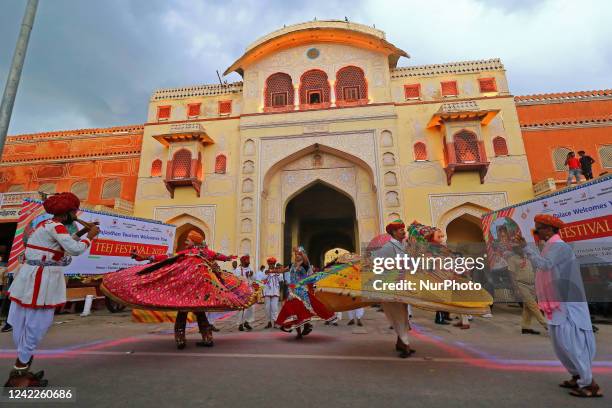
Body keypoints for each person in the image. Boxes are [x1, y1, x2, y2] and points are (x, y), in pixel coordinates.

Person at [5, 192, 100, 387]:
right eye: (75, 211)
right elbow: (74, 249)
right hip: (41, 280)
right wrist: (90, 237)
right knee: (36, 325)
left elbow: (61, 244)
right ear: (69, 212)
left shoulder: (47, 225)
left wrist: (81, 234)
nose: (77, 214)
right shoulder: (56, 227)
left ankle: (22, 371)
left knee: (29, 326)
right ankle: (18, 378)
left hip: (32, 277)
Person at [518, 214, 602, 398]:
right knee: (560, 343)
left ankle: (590, 384)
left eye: (539, 227)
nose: (536, 231)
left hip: (567, 301)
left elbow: (545, 265)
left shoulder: (560, 246)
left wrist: (526, 248)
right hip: (556, 301)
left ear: (549, 229)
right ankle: (577, 375)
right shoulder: (549, 246)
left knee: (571, 342)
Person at [128, 230, 237, 349]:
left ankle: (180, 341)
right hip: (199, 291)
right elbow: (218, 255)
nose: (186, 242)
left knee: (182, 313)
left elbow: (166, 257)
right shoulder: (205, 253)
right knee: (200, 313)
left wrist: (146, 257)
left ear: (194, 241)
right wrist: (228, 258)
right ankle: (207, 338)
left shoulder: (186, 253)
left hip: (185, 289)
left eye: (188, 240)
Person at [373, 219, 414, 358]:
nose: (403, 231)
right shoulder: (387, 247)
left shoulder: (404, 246)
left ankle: (400, 343)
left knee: (403, 316)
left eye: (403, 228)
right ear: (393, 232)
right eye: (400, 229)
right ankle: (406, 345)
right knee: (397, 316)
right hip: (391, 287)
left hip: (403, 286)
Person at [275, 246, 335, 339]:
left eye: (299, 254)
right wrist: (272, 271)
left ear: (302, 255)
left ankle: (306, 326)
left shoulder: (305, 264)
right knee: (292, 311)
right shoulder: (291, 265)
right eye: (296, 254)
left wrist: (300, 250)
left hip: (302, 292)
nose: (297, 256)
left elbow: (306, 258)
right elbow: (282, 270)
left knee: (302, 311)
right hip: (292, 292)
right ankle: (299, 333)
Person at [506, 239, 547, 335]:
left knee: (527, 307)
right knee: (533, 306)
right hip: (521, 285)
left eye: (519, 247)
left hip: (531, 285)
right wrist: (516, 289)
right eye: (516, 248)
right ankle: (546, 325)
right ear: (514, 249)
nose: (518, 249)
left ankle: (525, 327)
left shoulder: (528, 257)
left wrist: (536, 285)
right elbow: (511, 275)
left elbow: (534, 269)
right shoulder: (512, 259)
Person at [261, 257, 285, 328]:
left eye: (272, 264)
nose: (271, 265)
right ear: (268, 264)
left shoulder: (278, 270)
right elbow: (262, 278)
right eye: (270, 264)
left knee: (274, 308)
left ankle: (275, 322)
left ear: (274, 264)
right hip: (267, 291)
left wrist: (277, 272)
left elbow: (281, 280)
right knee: (267, 308)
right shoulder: (265, 270)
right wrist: (267, 273)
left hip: (275, 291)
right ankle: (268, 322)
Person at [234, 255, 255, 331]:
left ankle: (247, 322)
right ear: (243, 262)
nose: (248, 262)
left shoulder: (250, 268)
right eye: (247, 261)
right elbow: (236, 279)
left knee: (251, 307)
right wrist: (245, 276)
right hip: (241, 291)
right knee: (242, 308)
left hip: (250, 290)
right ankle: (240, 324)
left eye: (248, 261)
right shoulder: (238, 269)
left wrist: (252, 275)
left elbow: (254, 278)